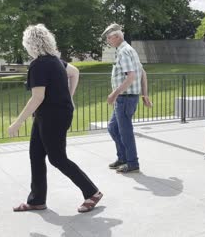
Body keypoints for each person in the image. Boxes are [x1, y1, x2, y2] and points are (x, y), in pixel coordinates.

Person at [8, 24, 102, 213]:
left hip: (54, 116)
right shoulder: (56, 61)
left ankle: (92, 192)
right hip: (48, 114)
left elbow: (37, 97)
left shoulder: (39, 65)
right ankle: (37, 200)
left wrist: (17, 122)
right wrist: (69, 96)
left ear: (30, 44)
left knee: (57, 158)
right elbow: (75, 72)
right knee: (36, 154)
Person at [102, 23, 153, 174]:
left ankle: (132, 163)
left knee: (125, 131)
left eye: (109, 38)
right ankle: (123, 158)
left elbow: (131, 77)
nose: (108, 41)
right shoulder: (130, 50)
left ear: (117, 36)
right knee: (113, 127)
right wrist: (144, 95)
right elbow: (142, 73)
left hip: (124, 99)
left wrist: (114, 94)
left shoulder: (124, 52)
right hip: (127, 99)